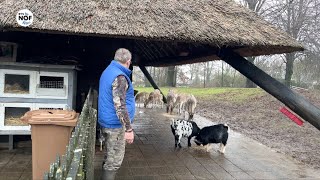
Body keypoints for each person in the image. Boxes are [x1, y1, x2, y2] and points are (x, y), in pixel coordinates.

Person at [98, 48, 135, 180]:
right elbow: (119, 105)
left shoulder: (108, 71)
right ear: (128, 61)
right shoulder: (119, 76)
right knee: (113, 162)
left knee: (110, 156)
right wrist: (129, 129)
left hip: (106, 121)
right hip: (115, 125)